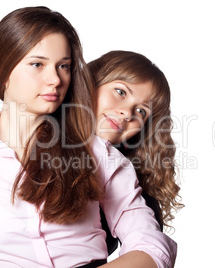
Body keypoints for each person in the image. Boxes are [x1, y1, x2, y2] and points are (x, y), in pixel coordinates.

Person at [0, 6, 176, 268]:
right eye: (37, 64)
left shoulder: (102, 156)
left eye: (63, 66)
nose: (55, 79)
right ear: (1, 73)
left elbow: (151, 246)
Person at [89, 51, 183, 244]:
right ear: (90, 82)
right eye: (121, 92)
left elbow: (148, 248)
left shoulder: (133, 189)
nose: (126, 113)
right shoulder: (30, 135)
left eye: (141, 111)